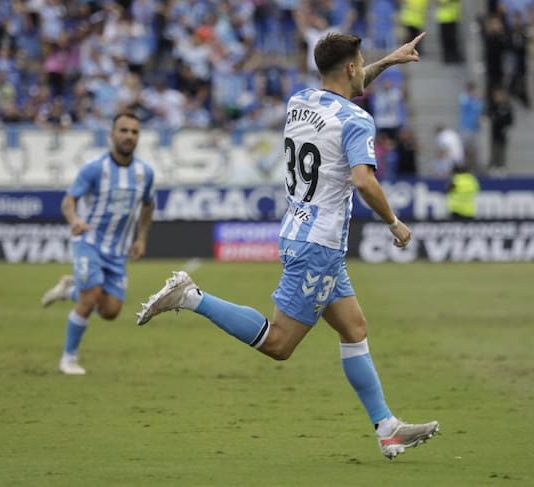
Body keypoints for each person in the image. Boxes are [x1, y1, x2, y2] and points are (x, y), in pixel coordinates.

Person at [136, 32, 439, 460]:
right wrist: (394, 222)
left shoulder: (300, 101)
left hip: (299, 232)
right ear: (351, 67)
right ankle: (190, 296)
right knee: (279, 344)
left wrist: (389, 60)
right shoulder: (356, 120)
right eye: (361, 62)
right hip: (320, 245)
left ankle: (387, 428)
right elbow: (363, 180)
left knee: (354, 329)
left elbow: (347, 87)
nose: (362, 70)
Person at [40, 112, 155, 375]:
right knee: (90, 297)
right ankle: (69, 359)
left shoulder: (145, 173)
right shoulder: (94, 168)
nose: (129, 136)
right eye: (123, 130)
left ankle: (69, 289)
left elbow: (148, 206)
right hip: (88, 242)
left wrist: (141, 238)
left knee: (111, 311)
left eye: (134, 132)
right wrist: (74, 220)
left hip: (118, 251)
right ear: (112, 135)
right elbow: (69, 201)